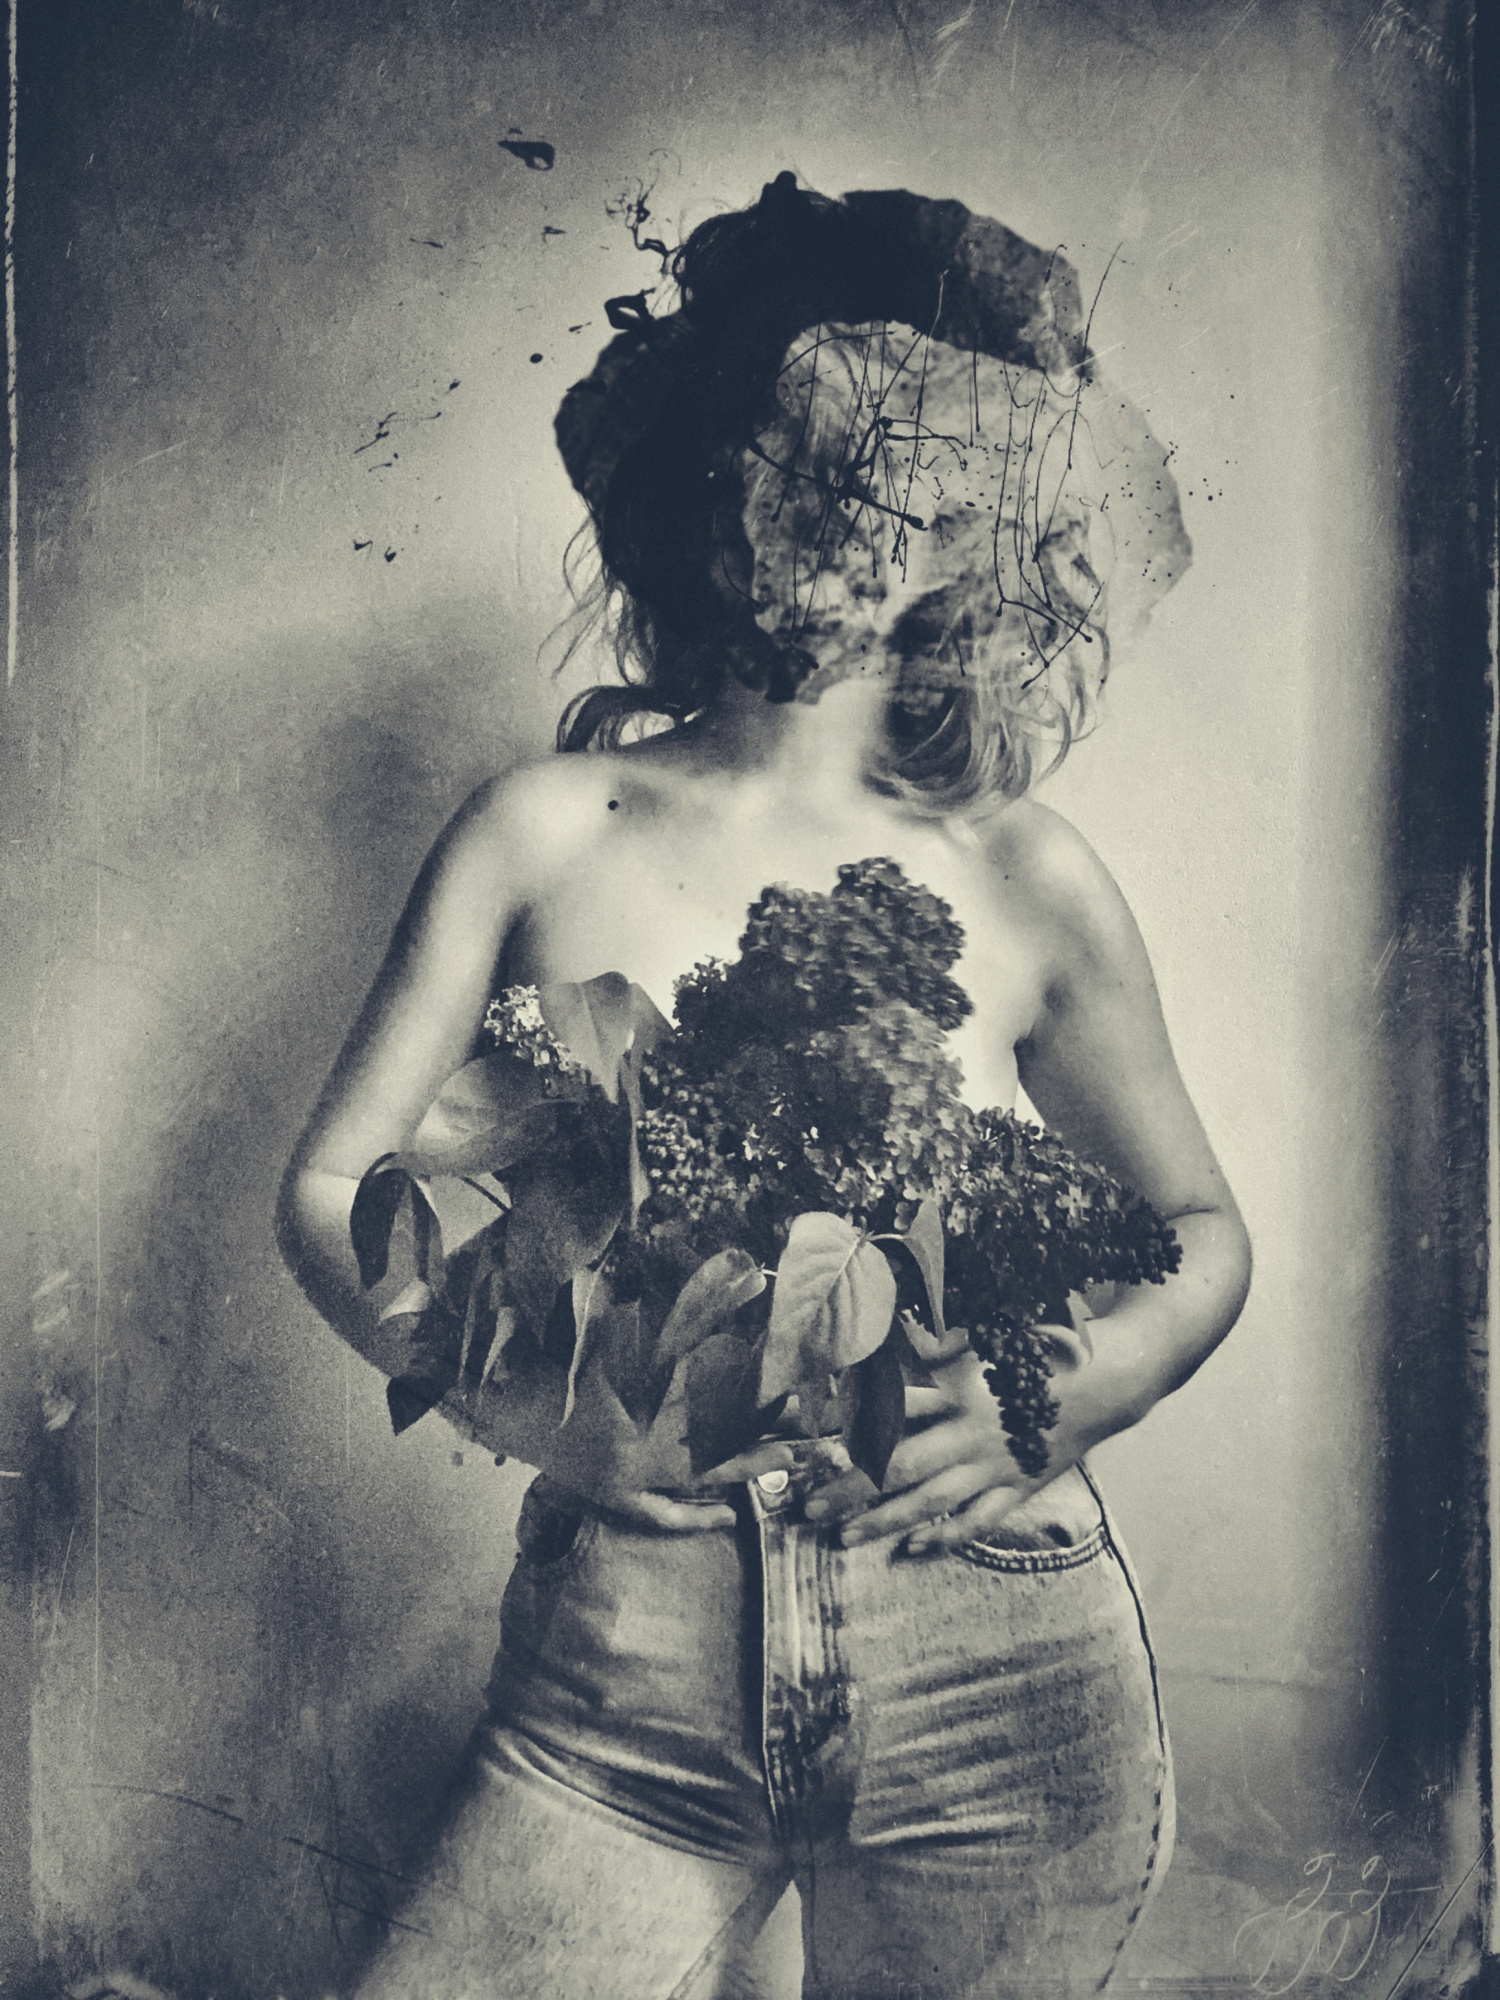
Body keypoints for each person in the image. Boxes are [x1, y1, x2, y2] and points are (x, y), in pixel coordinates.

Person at [277, 173, 1251, 2000]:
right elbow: (331, 1193)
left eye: (904, 479)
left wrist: (1076, 1393)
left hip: (1002, 1675)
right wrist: (532, 1414)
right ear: (705, 486)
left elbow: (1203, 1229)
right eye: (798, 464)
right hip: (624, 1669)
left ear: (976, 529)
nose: (844, 521)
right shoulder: (545, 829)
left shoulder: (1024, 867)